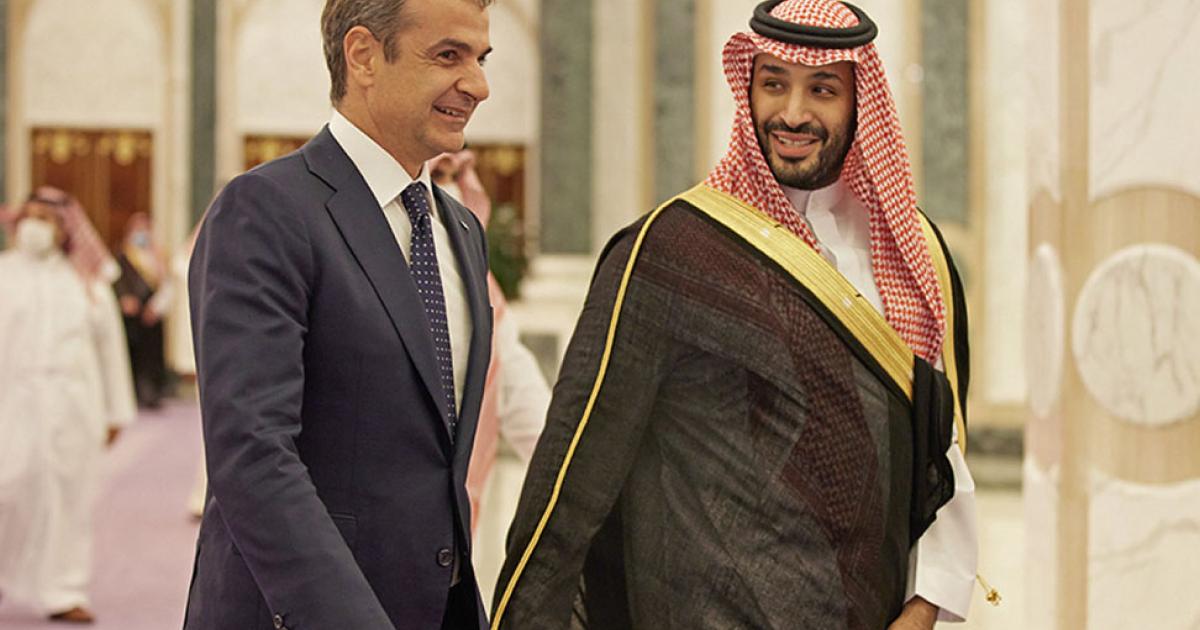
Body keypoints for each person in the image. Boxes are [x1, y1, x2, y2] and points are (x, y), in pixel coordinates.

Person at [491, 1, 977, 629]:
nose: (792, 113)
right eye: (774, 83)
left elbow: (941, 447)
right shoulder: (675, 250)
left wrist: (925, 604)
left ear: (861, 101)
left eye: (822, 89)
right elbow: (573, 476)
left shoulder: (915, 254)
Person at [183, 0, 495, 628]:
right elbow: (253, 455)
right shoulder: (268, 210)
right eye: (448, 56)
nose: (478, 86)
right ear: (363, 56)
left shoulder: (459, 228)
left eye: (481, 60)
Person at [0, 193, 136, 624]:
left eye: (46, 218)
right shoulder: (3, 275)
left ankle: (64, 589)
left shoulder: (87, 282)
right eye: (30, 216)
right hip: (11, 401)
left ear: (65, 228)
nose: (35, 226)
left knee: (70, 500)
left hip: (73, 406)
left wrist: (116, 412)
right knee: (7, 490)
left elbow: (110, 350)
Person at [430, 151, 550, 603]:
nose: (448, 187)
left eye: (455, 173)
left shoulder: (481, 288)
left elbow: (528, 407)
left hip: (455, 543)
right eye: (437, 174)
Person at [114, 212, 173, 408]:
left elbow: (166, 284)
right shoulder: (124, 254)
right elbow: (118, 281)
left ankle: (153, 391)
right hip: (132, 315)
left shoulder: (158, 256)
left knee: (152, 355)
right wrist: (124, 298)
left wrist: (156, 307)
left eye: (144, 229)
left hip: (152, 313)